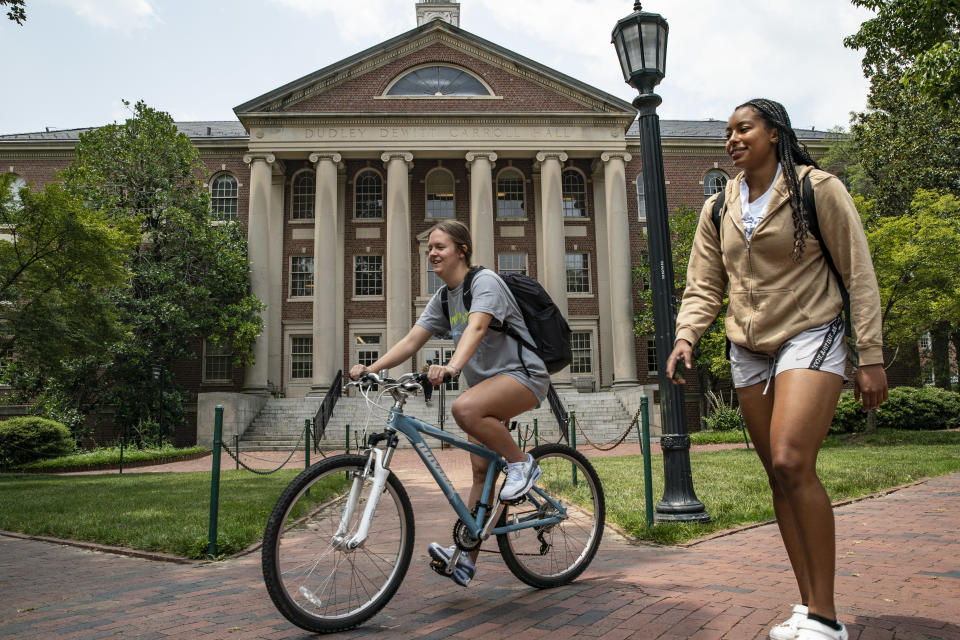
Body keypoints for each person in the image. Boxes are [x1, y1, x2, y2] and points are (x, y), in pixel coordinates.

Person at [665, 99, 888, 640]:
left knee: (792, 462)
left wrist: (872, 354)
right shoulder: (719, 206)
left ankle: (827, 616)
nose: (732, 139)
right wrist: (685, 334)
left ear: (774, 134)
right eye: (727, 132)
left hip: (812, 329)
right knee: (778, 478)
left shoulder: (818, 188)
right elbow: (704, 284)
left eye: (744, 128)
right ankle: (808, 604)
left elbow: (858, 271)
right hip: (749, 345)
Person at [349, 219, 549, 588]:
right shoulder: (444, 297)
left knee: (464, 409)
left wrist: (454, 366)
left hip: (523, 377)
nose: (432, 253)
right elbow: (412, 341)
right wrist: (370, 369)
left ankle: (522, 465)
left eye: (440, 247)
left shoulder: (484, 282)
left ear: (462, 250)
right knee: (479, 472)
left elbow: (475, 328)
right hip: (488, 387)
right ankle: (466, 562)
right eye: (430, 249)